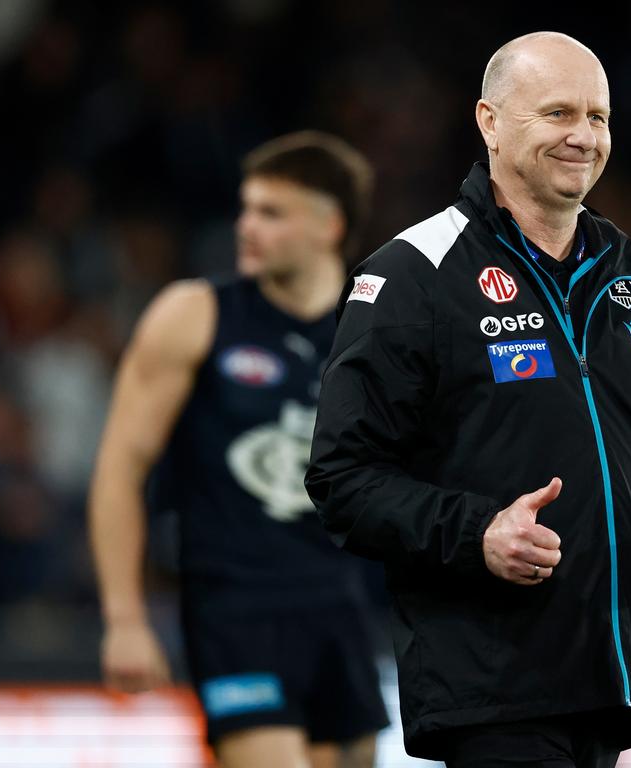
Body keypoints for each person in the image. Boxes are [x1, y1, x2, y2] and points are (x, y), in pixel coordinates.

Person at [306, 31, 631, 767]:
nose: (583, 137)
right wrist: (478, 534)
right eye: (558, 113)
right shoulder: (415, 275)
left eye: (598, 118)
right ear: (490, 122)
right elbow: (343, 478)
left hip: (613, 690)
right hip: (493, 693)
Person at [89, 131, 389, 768]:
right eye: (246, 209)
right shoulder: (194, 314)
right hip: (234, 606)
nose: (245, 227)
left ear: (328, 224)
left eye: (271, 212)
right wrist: (125, 617)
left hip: (342, 604)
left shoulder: (379, 332)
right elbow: (121, 469)